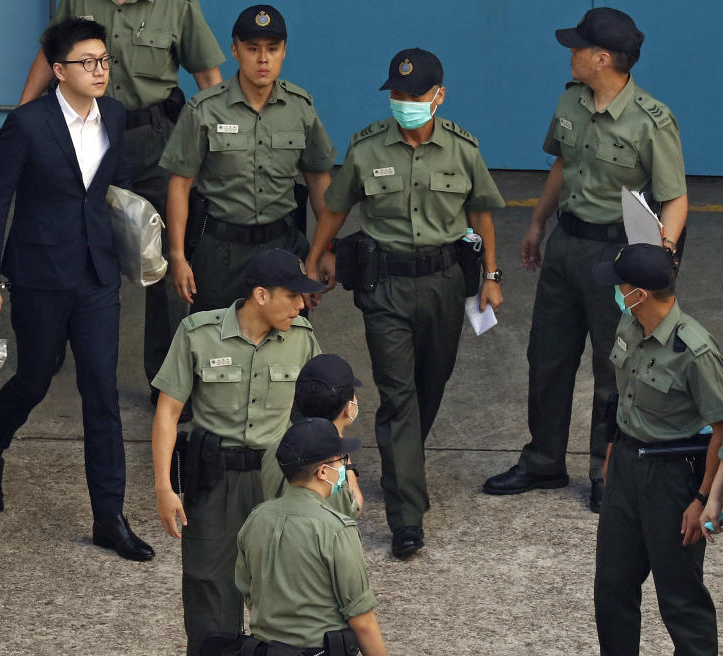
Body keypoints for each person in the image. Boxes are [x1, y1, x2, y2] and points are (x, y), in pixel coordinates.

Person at [483, 8, 688, 513]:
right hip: (566, 246)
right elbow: (562, 163)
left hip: (617, 254)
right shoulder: (571, 100)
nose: (569, 54)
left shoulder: (651, 121)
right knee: (547, 357)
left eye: (577, 47)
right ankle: (544, 460)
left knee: (611, 366)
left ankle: (605, 469)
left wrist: (657, 260)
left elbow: (675, 198)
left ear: (601, 59)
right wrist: (536, 224)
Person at [304, 48, 505, 559]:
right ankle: (406, 517)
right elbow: (336, 208)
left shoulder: (463, 150)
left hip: (443, 283)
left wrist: (492, 276)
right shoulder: (366, 149)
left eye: (415, 95)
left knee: (428, 387)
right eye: (396, 93)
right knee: (397, 397)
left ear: (439, 96)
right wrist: (316, 257)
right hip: (384, 287)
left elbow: (482, 214)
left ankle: (405, 466)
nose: (404, 102)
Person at [0, 18, 153, 563]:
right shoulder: (26, 125)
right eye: (86, 62)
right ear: (58, 71)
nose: (99, 71)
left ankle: (109, 516)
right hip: (39, 274)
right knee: (35, 377)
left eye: (104, 61)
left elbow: (102, 193)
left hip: (96, 275)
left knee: (102, 395)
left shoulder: (114, 117)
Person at [19, 0, 225, 409]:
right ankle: (52, 339)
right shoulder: (78, 1)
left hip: (153, 139)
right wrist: (23, 114)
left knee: (165, 254)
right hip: (81, 131)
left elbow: (206, 73)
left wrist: (218, 143)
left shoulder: (177, 6)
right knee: (64, 235)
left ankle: (166, 379)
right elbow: (51, 53)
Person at [152, 248, 324, 656]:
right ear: (261, 295)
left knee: (282, 592)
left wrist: (338, 474)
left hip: (276, 480)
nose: (302, 305)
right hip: (214, 482)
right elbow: (167, 413)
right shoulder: (197, 333)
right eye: (293, 296)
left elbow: (322, 414)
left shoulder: (302, 339)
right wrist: (163, 486)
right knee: (208, 589)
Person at [160, 4, 336, 312]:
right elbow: (180, 184)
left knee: (286, 347)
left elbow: (319, 178)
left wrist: (324, 250)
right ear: (235, 50)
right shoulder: (204, 110)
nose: (263, 58)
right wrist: (177, 255)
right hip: (220, 253)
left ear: (284, 51)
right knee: (216, 346)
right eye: (252, 48)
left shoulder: (301, 108)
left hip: (283, 247)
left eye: (273, 48)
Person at [591, 243, 722, 655]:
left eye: (621, 286)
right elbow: (621, 396)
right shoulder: (629, 326)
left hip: (673, 478)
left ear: (640, 294)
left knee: (680, 599)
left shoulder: (695, 352)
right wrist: (613, 451)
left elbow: (722, 430)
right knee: (612, 587)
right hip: (627, 467)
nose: (616, 292)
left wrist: (703, 498)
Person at [235, 418, 387, 655]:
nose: (344, 467)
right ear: (323, 471)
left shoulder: (256, 519)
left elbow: (249, 594)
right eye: (341, 460)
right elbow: (363, 621)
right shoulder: (336, 529)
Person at [262, 353, 365, 518]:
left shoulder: (277, 446)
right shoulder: (329, 462)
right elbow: (353, 508)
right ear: (348, 408)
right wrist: (346, 463)